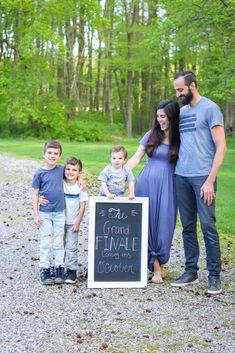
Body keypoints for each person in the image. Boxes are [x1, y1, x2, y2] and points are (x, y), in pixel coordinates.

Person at [171, 70, 227, 295]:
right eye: (176, 90)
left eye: (180, 89)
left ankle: (214, 277)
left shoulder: (211, 108)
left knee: (208, 226)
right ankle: (191, 271)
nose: (178, 94)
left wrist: (210, 180)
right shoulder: (182, 112)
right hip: (181, 176)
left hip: (203, 178)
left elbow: (221, 146)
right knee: (187, 227)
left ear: (192, 85)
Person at [127, 100, 180, 284]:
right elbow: (135, 158)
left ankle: (160, 264)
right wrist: (119, 174)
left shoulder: (179, 138)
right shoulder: (150, 135)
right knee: (148, 224)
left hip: (168, 186)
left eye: (163, 116)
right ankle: (156, 268)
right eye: (157, 116)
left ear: (172, 117)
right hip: (146, 183)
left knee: (165, 225)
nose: (159, 120)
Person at [32, 140, 65, 285]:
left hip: (59, 213)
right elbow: (35, 194)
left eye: (56, 154)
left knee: (58, 241)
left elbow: (73, 175)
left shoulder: (61, 170)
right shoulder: (39, 173)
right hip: (45, 213)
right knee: (46, 241)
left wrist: (81, 180)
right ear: (44, 154)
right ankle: (44, 268)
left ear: (60, 156)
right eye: (49, 153)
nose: (52, 156)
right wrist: (36, 214)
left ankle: (58, 267)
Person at [63, 157, 88, 284]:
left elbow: (83, 206)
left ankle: (72, 270)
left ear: (79, 172)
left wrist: (78, 222)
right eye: (68, 169)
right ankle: (60, 268)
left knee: (71, 246)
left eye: (74, 170)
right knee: (59, 245)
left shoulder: (80, 187)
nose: (70, 172)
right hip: (59, 221)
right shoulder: (60, 183)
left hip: (73, 222)